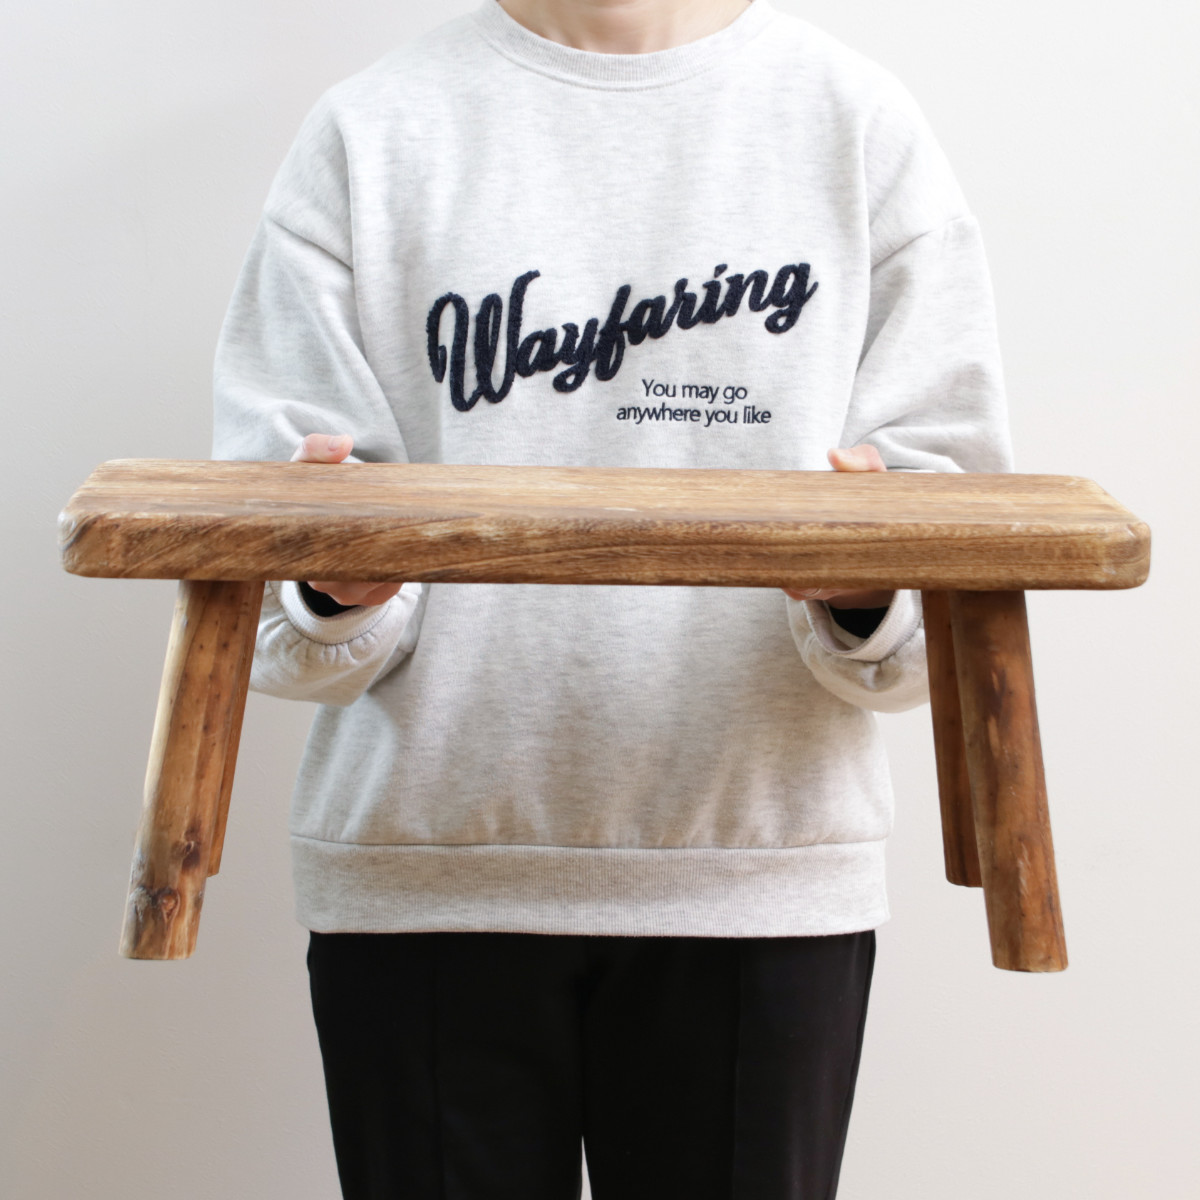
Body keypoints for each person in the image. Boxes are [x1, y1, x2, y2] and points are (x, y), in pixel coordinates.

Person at [212, 1, 1012, 1196]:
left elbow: (955, 555)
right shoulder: (373, 131)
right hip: (429, 873)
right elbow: (269, 605)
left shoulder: (854, 123)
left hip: (758, 872)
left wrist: (867, 590)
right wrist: (331, 589)